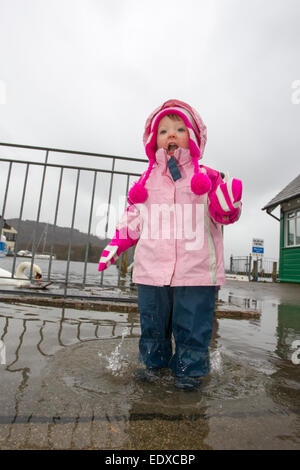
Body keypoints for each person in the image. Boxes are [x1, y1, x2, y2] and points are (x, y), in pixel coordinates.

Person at [98, 99, 242, 390]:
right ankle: (153, 368)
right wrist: (117, 242)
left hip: (197, 272)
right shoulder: (146, 180)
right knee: (152, 328)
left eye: (180, 128)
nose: (172, 135)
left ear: (194, 136)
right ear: (154, 140)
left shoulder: (209, 177)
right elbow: (134, 217)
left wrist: (228, 206)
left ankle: (189, 375)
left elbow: (221, 213)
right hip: (152, 271)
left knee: (192, 330)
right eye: (163, 131)